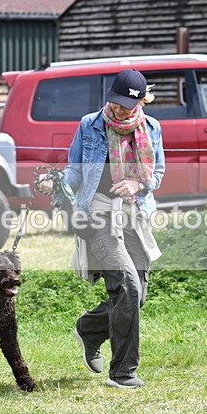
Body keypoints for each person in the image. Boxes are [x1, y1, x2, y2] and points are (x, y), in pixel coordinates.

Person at [42, 68, 165, 389]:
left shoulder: (151, 128)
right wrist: (55, 182)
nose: (121, 109)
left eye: (128, 104)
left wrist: (138, 182)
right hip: (97, 215)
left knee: (138, 293)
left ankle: (90, 327)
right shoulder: (89, 125)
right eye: (117, 102)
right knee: (127, 285)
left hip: (133, 214)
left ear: (141, 102)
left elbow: (158, 172)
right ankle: (123, 372)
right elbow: (75, 169)